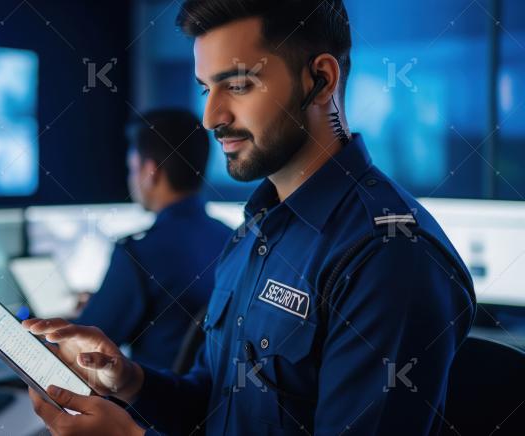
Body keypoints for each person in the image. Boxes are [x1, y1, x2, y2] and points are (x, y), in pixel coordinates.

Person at [25, 1, 476, 434]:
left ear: (320, 81)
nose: (210, 117)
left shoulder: (388, 255)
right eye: (206, 89)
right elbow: (214, 405)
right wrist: (130, 382)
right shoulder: (254, 230)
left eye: (237, 85)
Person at [74, 108, 233, 370]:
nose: (131, 179)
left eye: (131, 169)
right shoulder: (233, 241)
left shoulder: (139, 254)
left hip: (151, 404)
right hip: (212, 403)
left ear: (150, 171)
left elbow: (82, 348)